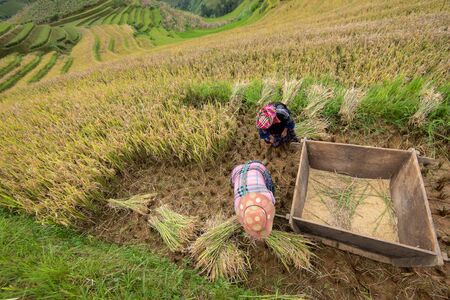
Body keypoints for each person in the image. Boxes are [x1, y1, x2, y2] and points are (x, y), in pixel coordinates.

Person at [230, 161, 276, 240]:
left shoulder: (267, 196)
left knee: (269, 183)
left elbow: (272, 196)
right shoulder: (237, 204)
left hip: (257, 167)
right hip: (237, 171)